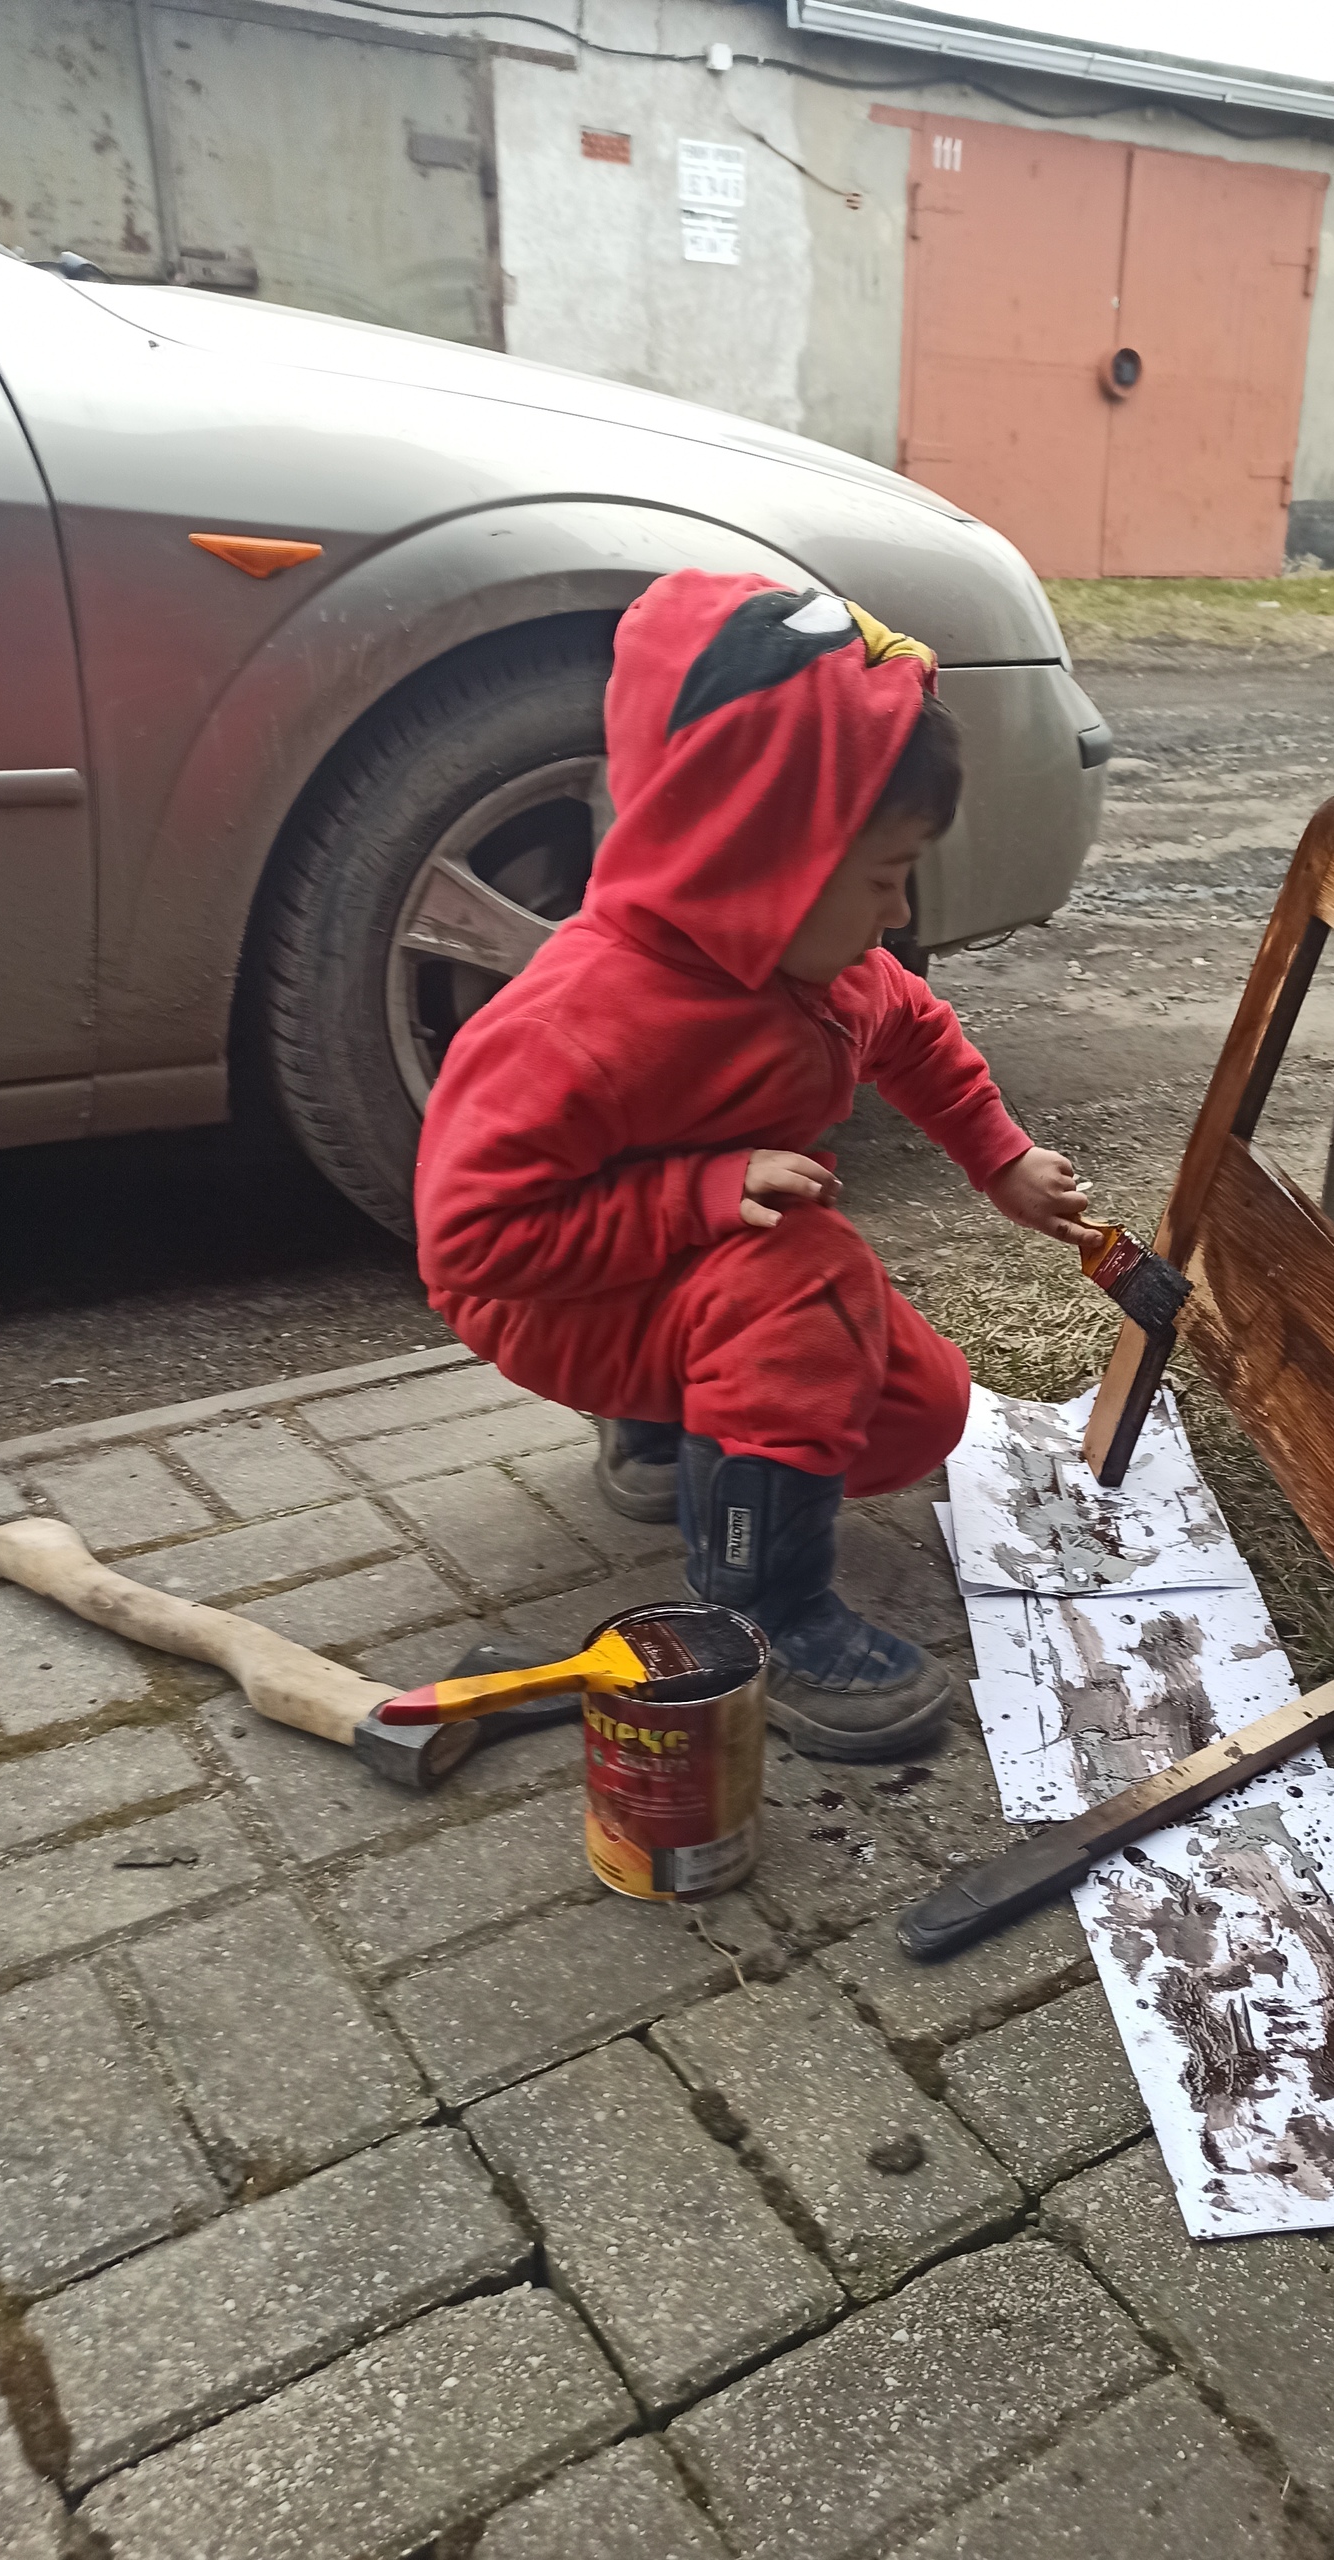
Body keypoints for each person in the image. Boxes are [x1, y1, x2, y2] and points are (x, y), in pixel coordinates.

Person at [414, 569, 1098, 1760]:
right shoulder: (576, 1022)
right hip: (540, 1294)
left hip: (669, 1273)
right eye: (884, 876)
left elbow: (918, 1038)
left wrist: (1002, 1160)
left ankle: (664, 1425)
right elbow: (471, 1244)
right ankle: (759, 1614)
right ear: (756, 857)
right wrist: (696, 1194)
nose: (895, 919)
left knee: (918, 1414)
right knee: (803, 1279)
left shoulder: (822, 967)